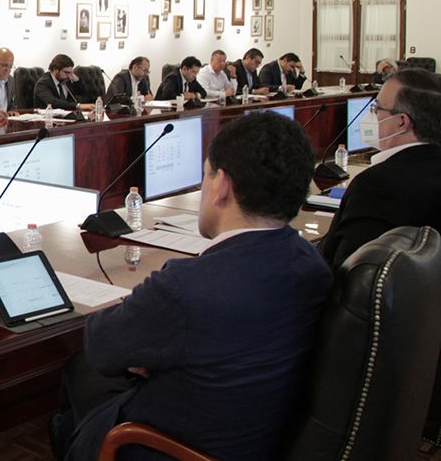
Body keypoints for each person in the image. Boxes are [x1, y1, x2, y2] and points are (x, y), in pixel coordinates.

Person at [51, 113, 332, 461]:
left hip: (167, 447)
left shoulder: (186, 287)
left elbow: (101, 346)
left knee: (81, 376)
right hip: (256, 437)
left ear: (222, 186)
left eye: (205, 175)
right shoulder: (313, 264)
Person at [318, 69, 441, 270]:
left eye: (376, 108)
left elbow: (345, 271)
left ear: (402, 121)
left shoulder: (375, 185)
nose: (372, 115)